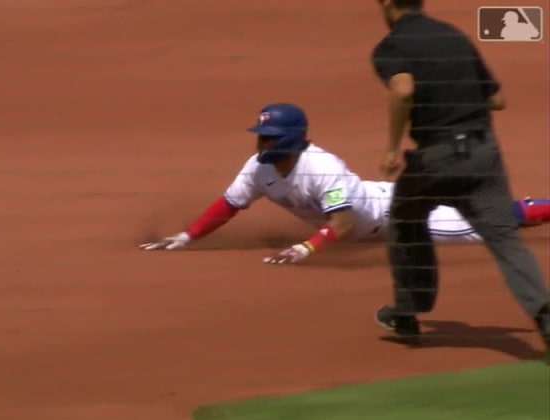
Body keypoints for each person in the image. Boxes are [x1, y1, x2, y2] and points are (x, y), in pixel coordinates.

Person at [139, 103, 549, 262]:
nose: (261, 143)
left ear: (291, 139)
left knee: (492, 223)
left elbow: (343, 223)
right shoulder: (258, 168)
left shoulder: (322, 168)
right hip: (376, 206)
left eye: (268, 137)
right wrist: (188, 236)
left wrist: (305, 246)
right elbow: (229, 205)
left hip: (393, 214)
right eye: (260, 136)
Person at [370, 0, 548, 354]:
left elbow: (402, 89)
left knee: (405, 218)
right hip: (484, 154)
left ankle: (407, 313)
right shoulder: (455, 36)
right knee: (505, 239)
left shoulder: (392, 45)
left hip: (435, 156)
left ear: (388, 4)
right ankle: (546, 317)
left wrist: (392, 148)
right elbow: (496, 99)